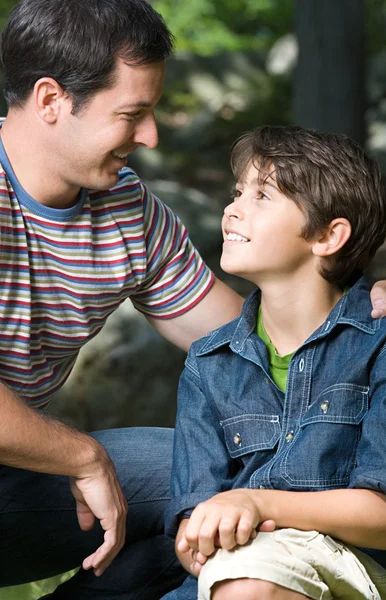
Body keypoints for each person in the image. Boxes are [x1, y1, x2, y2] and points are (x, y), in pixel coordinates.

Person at [0, 1, 246, 598]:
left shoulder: (126, 209)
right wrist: (83, 457)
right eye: (132, 114)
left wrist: (357, 314)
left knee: (228, 489)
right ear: (52, 101)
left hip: (18, 484)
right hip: (48, 465)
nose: (151, 135)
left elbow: (242, 341)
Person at [163, 125, 386, 600]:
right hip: (234, 565)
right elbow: (191, 523)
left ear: (329, 236)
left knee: (251, 585)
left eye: (262, 195)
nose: (233, 209)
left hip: (353, 566)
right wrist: (200, 537)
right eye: (236, 193)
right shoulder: (209, 363)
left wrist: (253, 502)